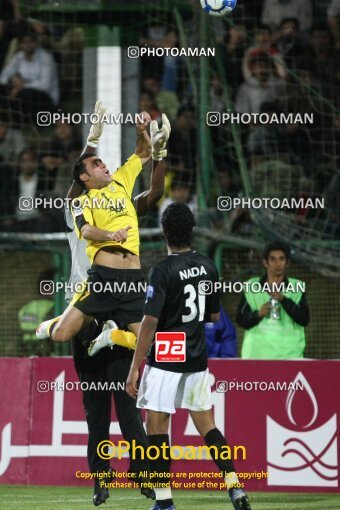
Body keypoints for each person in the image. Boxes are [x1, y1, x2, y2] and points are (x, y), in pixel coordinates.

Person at [36, 101, 169, 506]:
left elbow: (144, 171)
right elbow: (79, 185)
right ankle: (100, 483)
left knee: (127, 408)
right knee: (96, 411)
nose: (102, 167)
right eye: (94, 164)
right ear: (81, 178)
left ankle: (144, 477)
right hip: (90, 301)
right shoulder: (76, 206)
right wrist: (92, 135)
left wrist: (146, 137)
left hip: (121, 297)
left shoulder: (119, 193)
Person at [126, 202, 252, 510]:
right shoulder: (209, 265)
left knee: (156, 425)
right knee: (207, 424)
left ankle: (165, 503)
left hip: (168, 351)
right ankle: (235, 487)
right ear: (192, 230)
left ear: (165, 232)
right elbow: (211, 315)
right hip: (196, 354)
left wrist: (134, 368)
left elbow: (150, 322)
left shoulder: (162, 270)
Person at [236, 241, 309, 359]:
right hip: (256, 355)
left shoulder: (297, 287)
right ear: (266, 263)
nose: (278, 263)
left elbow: (304, 320)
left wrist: (284, 300)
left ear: (287, 263)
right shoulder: (251, 285)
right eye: (273, 259)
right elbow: (240, 320)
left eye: (281, 259)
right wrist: (258, 314)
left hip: (289, 355)